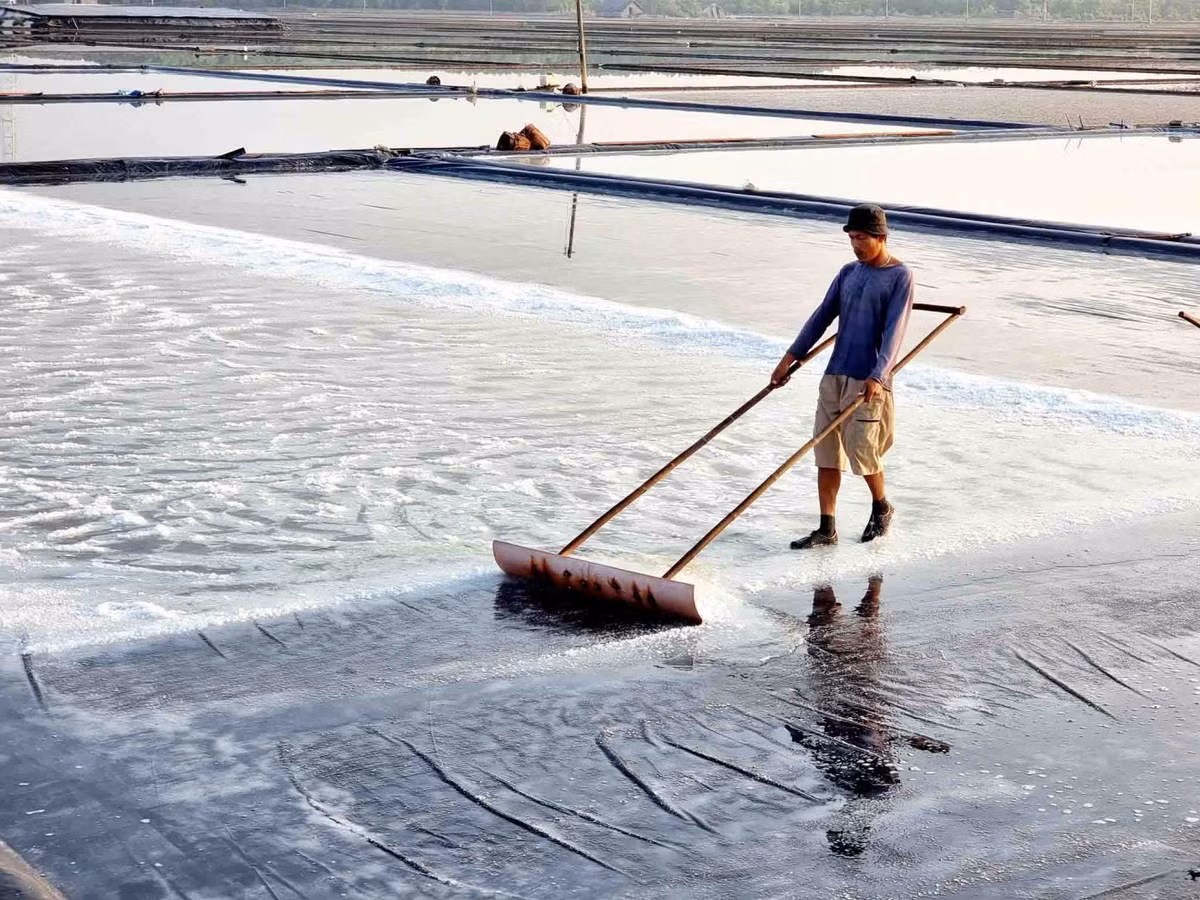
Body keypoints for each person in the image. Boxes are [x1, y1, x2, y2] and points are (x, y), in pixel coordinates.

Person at [770, 204, 914, 549]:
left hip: (869, 382)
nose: (855, 244)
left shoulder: (900, 276)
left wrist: (878, 376)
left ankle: (881, 507)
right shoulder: (848, 272)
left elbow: (895, 332)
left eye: (861, 237)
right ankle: (826, 528)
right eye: (851, 237)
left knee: (863, 455)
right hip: (834, 375)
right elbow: (821, 317)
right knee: (826, 455)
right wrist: (788, 359)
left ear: (881, 237)